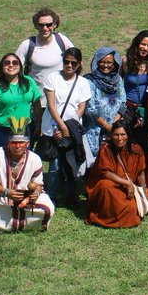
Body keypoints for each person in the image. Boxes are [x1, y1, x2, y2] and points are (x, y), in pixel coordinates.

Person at [0, 118, 54, 232]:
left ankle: (4, 221)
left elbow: (38, 184)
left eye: (21, 143)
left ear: (27, 144)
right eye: (14, 143)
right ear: (8, 143)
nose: (17, 146)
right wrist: (6, 192)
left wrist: (33, 196)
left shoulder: (35, 159)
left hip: (26, 201)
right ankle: (21, 223)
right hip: (2, 198)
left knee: (48, 206)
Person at [41, 46, 92, 205]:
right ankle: (51, 197)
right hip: (54, 127)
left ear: (79, 64)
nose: (69, 65)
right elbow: (51, 105)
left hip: (72, 130)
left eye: (73, 63)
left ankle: (71, 196)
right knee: (55, 165)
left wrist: (69, 128)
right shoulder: (53, 78)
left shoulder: (83, 82)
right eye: (66, 62)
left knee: (72, 163)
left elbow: (81, 107)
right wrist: (61, 128)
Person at [85, 122, 148, 228]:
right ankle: (104, 217)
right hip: (111, 185)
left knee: (132, 214)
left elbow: (140, 172)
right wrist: (127, 183)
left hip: (128, 187)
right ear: (111, 136)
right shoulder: (106, 148)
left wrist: (143, 192)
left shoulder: (136, 150)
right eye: (116, 135)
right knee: (105, 185)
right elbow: (105, 172)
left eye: (123, 134)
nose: (119, 138)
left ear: (128, 135)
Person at [0, 52, 43, 149]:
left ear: (20, 66)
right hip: (2, 130)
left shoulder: (29, 81)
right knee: (5, 160)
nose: (11, 65)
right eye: (7, 63)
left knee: (24, 159)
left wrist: (39, 123)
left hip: (24, 128)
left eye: (15, 63)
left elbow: (36, 104)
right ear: (2, 66)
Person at [15, 7, 75, 87]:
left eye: (49, 25)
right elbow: (14, 67)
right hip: (37, 97)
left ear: (55, 25)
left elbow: (76, 61)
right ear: (36, 26)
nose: (45, 28)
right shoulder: (27, 45)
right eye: (41, 25)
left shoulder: (62, 40)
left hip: (60, 96)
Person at [84, 46, 126, 159]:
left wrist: (114, 125)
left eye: (109, 62)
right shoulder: (89, 81)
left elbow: (122, 104)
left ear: (115, 63)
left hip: (114, 132)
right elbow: (90, 109)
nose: (106, 65)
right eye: (102, 62)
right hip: (94, 133)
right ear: (96, 62)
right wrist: (107, 127)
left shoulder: (118, 81)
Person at [121, 30, 148, 151]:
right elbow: (118, 84)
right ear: (137, 43)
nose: (145, 48)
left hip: (146, 109)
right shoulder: (126, 61)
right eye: (143, 44)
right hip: (128, 109)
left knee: (144, 146)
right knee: (126, 143)